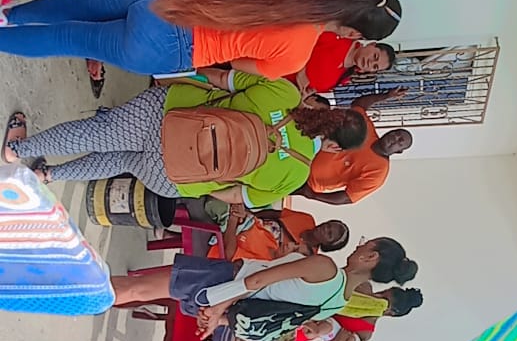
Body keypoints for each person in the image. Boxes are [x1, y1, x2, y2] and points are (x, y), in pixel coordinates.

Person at [3, 71, 367, 203]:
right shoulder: (296, 176)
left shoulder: (285, 94)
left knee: (97, 134)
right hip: (175, 177)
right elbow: (232, 195)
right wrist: (201, 178)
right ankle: (48, 174)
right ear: (334, 147)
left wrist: (176, 75)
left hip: (169, 115)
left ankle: (18, 148)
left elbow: (220, 79)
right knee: (120, 161)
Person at [0, 0, 402, 79]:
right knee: (70, 39)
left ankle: (9, 15)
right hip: (174, 43)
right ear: (353, 34)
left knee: (82, 4)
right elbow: (238, 63)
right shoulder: (296, 55)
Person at [104, 234, 418, 341]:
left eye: (365, 244)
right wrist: (219, 319)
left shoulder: (326, 268)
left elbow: (258, 281)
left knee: (135, 288)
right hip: (228, 307)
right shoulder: (338, 303)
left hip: (224, 284)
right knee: (140, 292)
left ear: (370, 257)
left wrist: (218, 304)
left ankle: (80, 294)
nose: (359, 246)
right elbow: (277, 313)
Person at [299, 97, 413, 205]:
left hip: (305, 180)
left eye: (400, 141)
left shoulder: (379, 171)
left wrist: (313, 195)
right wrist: (387, 95)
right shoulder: (367, 129)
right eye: (396, 133)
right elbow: (359, 105)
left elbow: (347, 197)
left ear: (399, 151)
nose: (394, 138)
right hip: (303, 149)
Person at [208, 206, 349, 261]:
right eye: (328, 225)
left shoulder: (305, 256)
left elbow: (229, 253)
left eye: (329, 234)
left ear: (327, 245)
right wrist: (246, 214)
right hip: (239, 223)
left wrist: (233, 220)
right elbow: (273, 214)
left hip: (219, 240)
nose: (325, 228)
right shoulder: (306, 219)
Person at [288, 31, 396, 97]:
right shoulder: (340, 37)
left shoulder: (342, 79)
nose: (370, 62)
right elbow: (301, 37)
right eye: (375, 56)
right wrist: (301, 69)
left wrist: (304, 95)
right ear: (372, 44)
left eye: (375, 66)